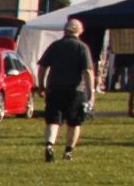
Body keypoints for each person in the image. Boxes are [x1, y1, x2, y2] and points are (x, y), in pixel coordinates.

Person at [37, 16, 98, 161]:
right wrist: (91, 91)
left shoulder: (55, 45)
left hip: (54, 89)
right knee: (74, 122)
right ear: (80, 31)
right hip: (75, 90)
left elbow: (42, 67)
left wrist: (41, 85)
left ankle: (49, 145)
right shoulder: (82, 47)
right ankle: (68, 152)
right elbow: (87, 71)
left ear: (65, 30)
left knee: (53, 120)